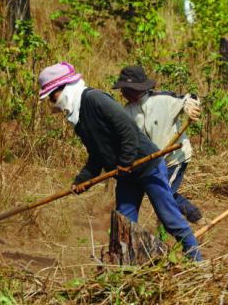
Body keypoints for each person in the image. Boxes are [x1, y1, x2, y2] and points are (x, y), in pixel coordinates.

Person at [38, 62, 202, 261]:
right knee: (123, 224)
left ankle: (197, 263)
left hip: (147, 166)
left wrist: (124, 161)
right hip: (126, 175)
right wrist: (82, 180)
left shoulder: (94, 99)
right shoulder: (79, 120)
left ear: (62, 89)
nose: (51, 101)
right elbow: (97, 155)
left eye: (51, 96)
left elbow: (128, 131)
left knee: (170, 219)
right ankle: (125, 270)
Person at [113, 66, 205, 225]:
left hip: (174, 157)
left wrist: (190, 107)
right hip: (151, 163)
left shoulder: (163, 100)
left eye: (124, 89)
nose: (122, 93)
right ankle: (192, 217)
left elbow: (190, 97)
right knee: (163, 194)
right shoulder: (127, 111)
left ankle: (194, 217)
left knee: (165, 194)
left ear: (134, 88)